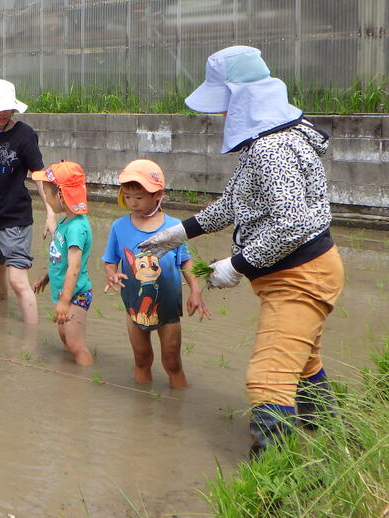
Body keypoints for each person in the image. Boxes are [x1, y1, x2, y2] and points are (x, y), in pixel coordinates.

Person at [139, 46, 344, 456]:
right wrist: (178, 232)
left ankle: (273, 486)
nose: (220, 116)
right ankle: (333, 447)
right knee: (302, 364)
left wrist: (237, 265)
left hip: (299, 276)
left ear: (239, 99)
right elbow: (235, 205)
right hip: (301, 271)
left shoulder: (272, 149)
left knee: (267, 379)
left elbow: (292, 222)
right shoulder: (270, 141)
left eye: (223, 105)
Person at [102, 159, 210, 389]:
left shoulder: (173, 227)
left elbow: (185, 261)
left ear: (158, 195)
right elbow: (110, 261)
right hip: (134, 307)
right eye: (128, 196)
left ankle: (177, 405)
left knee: (172, 362)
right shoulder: (119, 227)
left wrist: (195, 291)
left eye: (139, 197)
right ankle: (141, 410)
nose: (133, 203)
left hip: (168, 308)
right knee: (141, 358)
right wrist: (111, 275)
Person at [0, 79, 55, 325]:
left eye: (6, 107)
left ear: (13, 108)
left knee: (18, 281)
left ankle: (30, 339)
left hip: (15, 220)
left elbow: (38, 176)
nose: (2, 113)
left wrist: (50, 213)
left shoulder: (25, 135)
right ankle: (1, 320)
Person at [30, 161, 94, 365]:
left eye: (48, 193)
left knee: (76, 344)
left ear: (61, 194)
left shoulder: (76, 228)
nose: (46, 199)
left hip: (76, 295)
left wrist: (65, 301)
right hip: (65, 294)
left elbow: (74, 267)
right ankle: (70, 379)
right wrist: (46, 277)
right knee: (65, 338)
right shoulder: (66, 223)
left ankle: (85, 380)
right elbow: (61, 259)